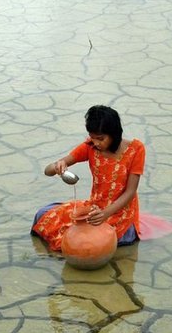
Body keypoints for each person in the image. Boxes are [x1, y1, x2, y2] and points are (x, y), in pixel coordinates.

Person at [31, 105, 143, 252]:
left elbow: (130, 192)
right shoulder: (90, 147)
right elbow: (48, 171)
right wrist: (58, 165)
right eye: (92, 137)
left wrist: (105, 214)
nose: (96, 143)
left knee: (93, 244)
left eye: (101, 138)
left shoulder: (135, 150)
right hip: (94, 208)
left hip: (120, 212)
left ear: (114, 134)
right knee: (43, 215)